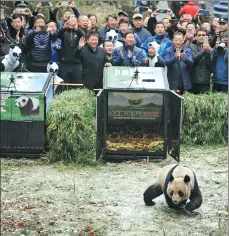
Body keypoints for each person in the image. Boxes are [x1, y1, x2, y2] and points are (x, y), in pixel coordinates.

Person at [57, 16, 84, 84]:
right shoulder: (64, 32)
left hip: (77, 63)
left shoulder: (79, 31)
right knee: (65, 84)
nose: (71, 23)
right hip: (65, 63)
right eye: (70, 21)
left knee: (77, 84)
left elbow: (84, 37)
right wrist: (63, 28)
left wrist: (76, 29)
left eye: (73, 21)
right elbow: (57, 35)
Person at [190, 28, 212, 94]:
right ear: (196, 36)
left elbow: (210, 65)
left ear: (206, 37)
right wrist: (203, 51)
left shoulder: (211, 48)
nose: (201, 37)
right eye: (199, 35)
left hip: (206, 80)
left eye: (203, 35)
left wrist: (208, 52)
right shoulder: (192, 46)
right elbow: (193, 60)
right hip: (193, 79)